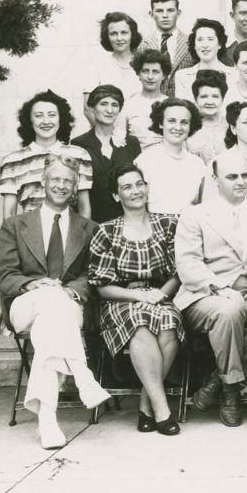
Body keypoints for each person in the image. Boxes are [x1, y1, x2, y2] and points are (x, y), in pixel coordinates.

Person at [0, 155, 110, 449]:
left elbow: (91, 275)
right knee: (49, 300)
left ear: (75, 188)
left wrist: (70, 291)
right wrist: (32, 284)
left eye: (67, 181)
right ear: (43, 182)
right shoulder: (15, 226)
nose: (61, 185)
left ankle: (47, 420)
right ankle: (82, 375)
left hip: (69, 304)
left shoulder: (90, 228)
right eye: (55, 179)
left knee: (53, 316)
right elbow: (3, 275)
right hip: (24, 303)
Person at [174, 149, 247, 427]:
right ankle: (232, 393)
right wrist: (220, 287)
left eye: (245, 175)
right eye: (232, 176)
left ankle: (219, 379)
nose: (240, 181)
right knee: (228, 310)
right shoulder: (196, 215)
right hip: (205, 294)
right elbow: (188, 264)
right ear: (215, 179)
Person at [87, 163, 183, 436]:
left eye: (139, 184)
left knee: (168, 322)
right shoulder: (106, 231)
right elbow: (102, 287)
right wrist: (137, 295)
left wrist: (159, 294)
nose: (135, 191)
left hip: (161, 294)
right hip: (121, 300)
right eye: (127, 187)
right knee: (139, 322)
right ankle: (162, 409)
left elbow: (180, 272)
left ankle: (146, 404)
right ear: (117, 196)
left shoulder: (168, 224)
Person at [0, 89, 93, 219]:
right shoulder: (12, 161)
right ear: (29, 120)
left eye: (52, 115)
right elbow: (9, 215)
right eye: (38, 115)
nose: (46, 121)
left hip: (69, 232)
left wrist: (81, 238)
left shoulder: (80, 155)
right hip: (29, 234)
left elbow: (84, 209)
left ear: (61, 118)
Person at [71, 85, 142, 223]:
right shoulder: (78, 144)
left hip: (128, 223)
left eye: (114, 105)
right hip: (93, 224)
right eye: (104, 104)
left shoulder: (131, 143)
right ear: (92, 107)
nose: (110, 110)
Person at [134, 97, 207, 215]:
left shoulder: (197, 164)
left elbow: (202, 205)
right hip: (156, 228)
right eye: (171, 121)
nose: (178, 127)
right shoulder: (145, 161)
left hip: (190, 228)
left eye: (184, 122)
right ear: (160, 123)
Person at [141, 0, 193, 97]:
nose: (165, 15)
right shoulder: (142, 45)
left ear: (178, 13)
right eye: (159, 11)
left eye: (170, 10)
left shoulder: (191, 43)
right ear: (151, 14)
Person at [120, 48, 171, 150]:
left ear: (164, 75)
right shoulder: (128, 105)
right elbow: (120, 140)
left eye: (156, 72)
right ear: (138, 74)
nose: (150, 77)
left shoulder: (171, 104)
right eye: (145, 71)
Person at [86, 11, 142, 103]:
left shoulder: (144, 64)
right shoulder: (97, 66)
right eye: (113, 34)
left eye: (124, 33)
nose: (119, 38)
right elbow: (88, 108)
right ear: (107, 37)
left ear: (132, 35)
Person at [174, 18, 229, 102]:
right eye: (200, 39)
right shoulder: (182, 76)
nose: (205, 45)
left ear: (220, 44)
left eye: (210, 39)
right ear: (194, 45)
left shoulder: (234, 75)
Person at [186, 69, 230, 165]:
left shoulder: (232, 126)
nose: (210, 102)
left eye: (215, 96)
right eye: (204, 96)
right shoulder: (187, 128)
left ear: (222, 99)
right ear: (196, 99)